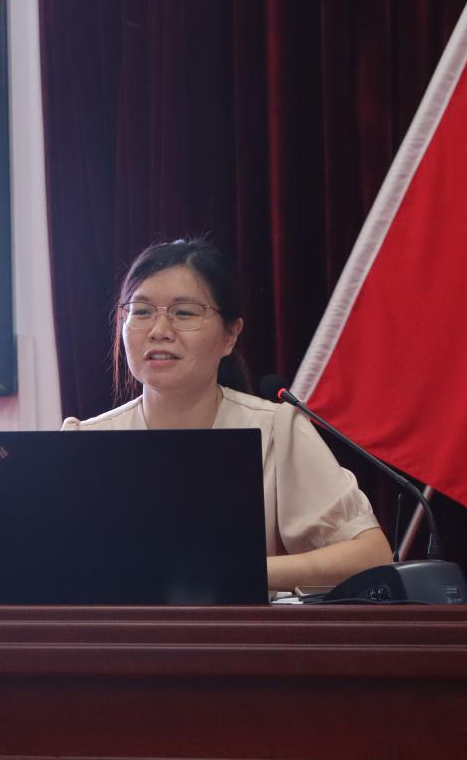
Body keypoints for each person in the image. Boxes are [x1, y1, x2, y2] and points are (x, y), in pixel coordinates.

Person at [61, 238, 392, 591]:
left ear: (230, 335)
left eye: (184, 313)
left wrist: (237, 571)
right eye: (141, 312)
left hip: (246, 627)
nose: (159, 331)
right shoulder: (85, 441)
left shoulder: (276, 431)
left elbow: (371, 556)